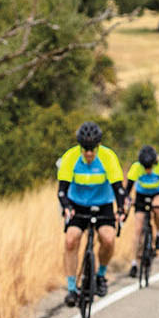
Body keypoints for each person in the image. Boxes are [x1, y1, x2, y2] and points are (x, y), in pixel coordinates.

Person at [57, 121, 127, 306]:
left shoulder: (108, 157)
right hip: (77, 205)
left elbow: (119, 189)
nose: (89, 153)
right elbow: (62, 190)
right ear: (80, 146)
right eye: (85, 149)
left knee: (108, 238)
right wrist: (66, 206)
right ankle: (72, 288)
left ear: (98, 146)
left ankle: (101, 275)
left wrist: (121, 210)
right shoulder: (70, 157)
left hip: (102, 204)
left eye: (92, 149)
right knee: (71, 240)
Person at [125, 144, 159, 276]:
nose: (148, 170)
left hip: (158, 193)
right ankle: (134, 263)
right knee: (137, 230)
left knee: (157, 207)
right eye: (145, 168)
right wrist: (128, 200)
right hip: (141, 195)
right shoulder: (136, 167)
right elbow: (128, 189)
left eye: (150, 167)